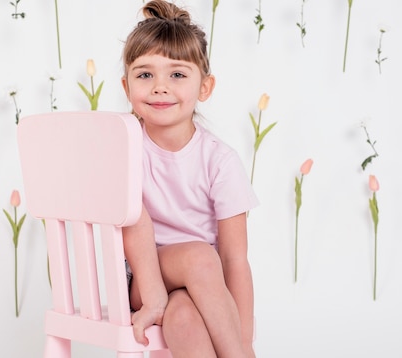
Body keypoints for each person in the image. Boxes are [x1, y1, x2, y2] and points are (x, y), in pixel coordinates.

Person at [120, 1, 259, 357]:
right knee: (198, 257)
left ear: (205, 87)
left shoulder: (219, 161)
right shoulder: (124, 149)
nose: (160, 87)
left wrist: (245, 339)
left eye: (177, 75)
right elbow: (133, 225)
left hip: (201, 283)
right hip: (141, 276)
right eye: (145, 74)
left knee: (183, 317)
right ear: (126, 86)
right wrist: (151, 297)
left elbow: (233, 259)